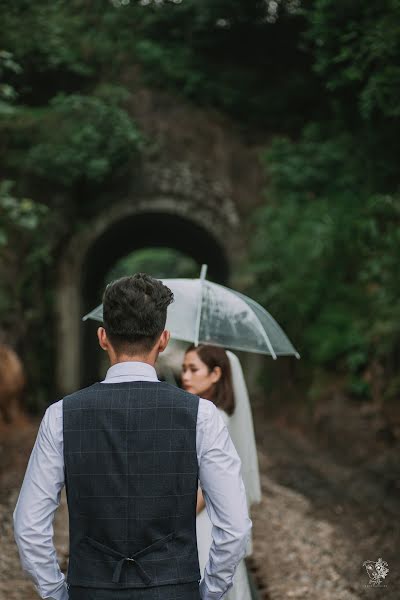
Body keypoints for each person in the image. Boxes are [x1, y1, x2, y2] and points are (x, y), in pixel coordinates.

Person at [13, 274, 252, 600]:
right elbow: (235, 527)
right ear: (164, 339)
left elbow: (29, 525)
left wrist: (57, 593)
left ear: (102, 337)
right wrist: (207, 592)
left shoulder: (61, 415)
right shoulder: (202, 416)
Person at [182, 344, 262, 600]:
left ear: (216, 374)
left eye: (194, 369)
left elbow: (210, 484)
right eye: (184, 368)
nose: (185, 376)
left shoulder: (214, 418)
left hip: (203, 517)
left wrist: (179, 516)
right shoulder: (204, 414)